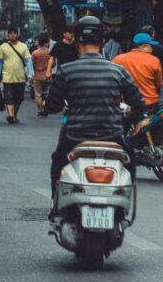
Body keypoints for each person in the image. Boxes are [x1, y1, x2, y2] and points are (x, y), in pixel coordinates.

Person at [45, 16, 144, 212]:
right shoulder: (117, 71)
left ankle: (56, 206)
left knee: (57, 164)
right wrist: (131, 113)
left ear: (76, 41)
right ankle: (123, 210)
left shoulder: (66, 70)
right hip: (113, 137)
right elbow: (138, 103)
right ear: (103, 41)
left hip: (75, 137)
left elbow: (52, 105)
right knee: (130, 163)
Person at [0, 26, 33, 124]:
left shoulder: (23, 46)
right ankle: (10, 115)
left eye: (14, 33)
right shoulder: (3, 47)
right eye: (10, 33)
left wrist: (30, 74)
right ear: (8, 35)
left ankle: (14, 116)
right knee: (8, 97)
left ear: (18, 34)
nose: (12, 35)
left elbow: (28, 61)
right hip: (7, 77)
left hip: (20, 77)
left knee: (18, 99)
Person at [113, 33, 163, 108]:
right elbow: (159, 85)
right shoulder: (154, 60)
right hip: (149, 104)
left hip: (127, 105)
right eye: (151, 46)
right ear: (144, 46)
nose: (152, 49)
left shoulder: (118, 59)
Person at [31, 34, 52, 117]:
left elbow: (32, 64)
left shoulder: (34, 53)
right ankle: (45, 107)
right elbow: (53, 63)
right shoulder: (50, 52)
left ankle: (40, 109)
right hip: (48, 75)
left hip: (37, 75)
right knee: (47, 93)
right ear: (46, 42)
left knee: (38, 94)